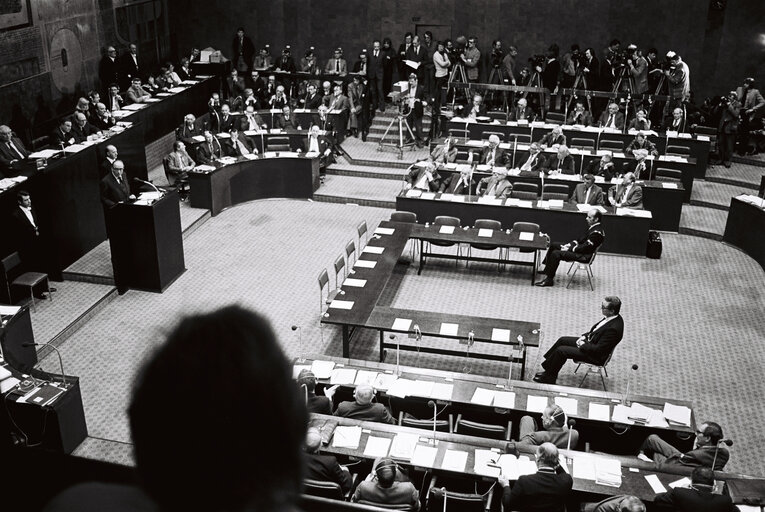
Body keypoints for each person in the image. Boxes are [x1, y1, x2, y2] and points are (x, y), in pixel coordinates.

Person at [534, 296, 622, 384]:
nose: (601, 308)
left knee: (561, 351)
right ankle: (549, 370)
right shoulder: (612, 317)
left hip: (595, 356)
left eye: (603, 307)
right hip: (591, 342)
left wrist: (583, 344)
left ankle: (550, 377)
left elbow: (598, 350)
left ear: (612, 311)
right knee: (562, 340)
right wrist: (584, 337)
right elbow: (596, 330)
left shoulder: (613, 329)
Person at [534, 210, 605, 290]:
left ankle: (549, 279)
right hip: (580, 251)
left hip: (584, 256)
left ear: (596, 219)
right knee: (554, 245)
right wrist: (569, 245)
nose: (586, 218)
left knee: (556, 254)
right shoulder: (593, 227)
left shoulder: (596, 233)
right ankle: (547, 270)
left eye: (589, 217)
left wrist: (569, 249)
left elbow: (585, 248)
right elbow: (580, 240)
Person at [497, 443, 572, 512]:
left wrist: (506, 485)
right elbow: (563, 474)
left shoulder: (524, 481)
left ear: (538, 460)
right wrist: (554, 460)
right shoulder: (566, 481)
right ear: (557, 460)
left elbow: (508, 504)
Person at [638, 422, 729, 470]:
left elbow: (672, 465)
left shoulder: (695, 455)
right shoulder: (725, 453)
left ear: (707, 438)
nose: (695, 434)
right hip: (687, 460)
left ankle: (639, 455)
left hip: (676, 467)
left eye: (699, 432)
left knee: (655, 448)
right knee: (653, 439)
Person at [654, 467, 737, 511]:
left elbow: (657, 499)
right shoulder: (725, 500)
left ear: (691, 481)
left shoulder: (679, 492)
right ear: (714, 483)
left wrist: (684, 489)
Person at [352, 458, 420, 510]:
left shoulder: (363, 487)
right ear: (395, 476)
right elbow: (417, 507)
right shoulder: (409, 488)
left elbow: (353, 503)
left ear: (377, 476)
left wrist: (367, 481)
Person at [304, 427, 353, 494]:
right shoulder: (330, 462)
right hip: (330, 500)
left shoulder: (292, 458)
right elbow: (347, 485)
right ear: (320, 445)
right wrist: (345, 470)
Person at [9, 191, 45, 275]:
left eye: (29, 199)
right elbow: (18, 234)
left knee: (41, 263)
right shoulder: (15, 215)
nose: (29, 201)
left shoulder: (32, 208)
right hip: (27, 245)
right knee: (32, 266)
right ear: (19, 202)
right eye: (26, 200)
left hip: (37, 241)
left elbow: (34, 223)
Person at [736, 77, 765, 154]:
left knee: (744, 132)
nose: (744, 84)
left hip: (747, 112)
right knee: (735, 129)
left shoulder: (755, 92)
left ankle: (742, 150)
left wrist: (753, 109)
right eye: (744, 83)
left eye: (747, 83)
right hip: (738, 110)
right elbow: (736, 100)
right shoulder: (739, 89)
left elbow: (762, 102)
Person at [719, 90, 742, 167]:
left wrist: (729, 105)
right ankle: (721, 159)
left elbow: (735, 114)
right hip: (723, 126)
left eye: (731, 96)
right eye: (729, 95)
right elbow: (717, 112)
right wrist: (721, 104)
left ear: (734, 98)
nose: (729, 97)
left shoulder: (738, 104)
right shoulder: (725, 104)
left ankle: (728, 161)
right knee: (721, 143)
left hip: (730, 127)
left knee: (729, 145)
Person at [404, 73, 427, 147]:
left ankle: (420, 141)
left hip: (417, 110)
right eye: (410, 82)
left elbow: (425, 98)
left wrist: (422, 101)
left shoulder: (421, 88)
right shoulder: (407, 88)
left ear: (416, 81)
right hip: (409, 109)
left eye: (412, 82)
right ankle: (408, 139)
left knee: (418, 127)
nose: (411, 83)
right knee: (409, 125)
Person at [368, 40, 386, 112]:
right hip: (372, 74)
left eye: (377, 46)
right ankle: (375, 105)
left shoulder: (383, 53)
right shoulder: (369, 53)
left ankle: (382, 106)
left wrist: (380, 71)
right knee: (373, 91)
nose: (376, 48)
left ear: (380, 46)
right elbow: (368, 63)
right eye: (375, 46)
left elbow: (385, 64)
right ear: (373, 46)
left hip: (379, 74)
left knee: (380, 90)